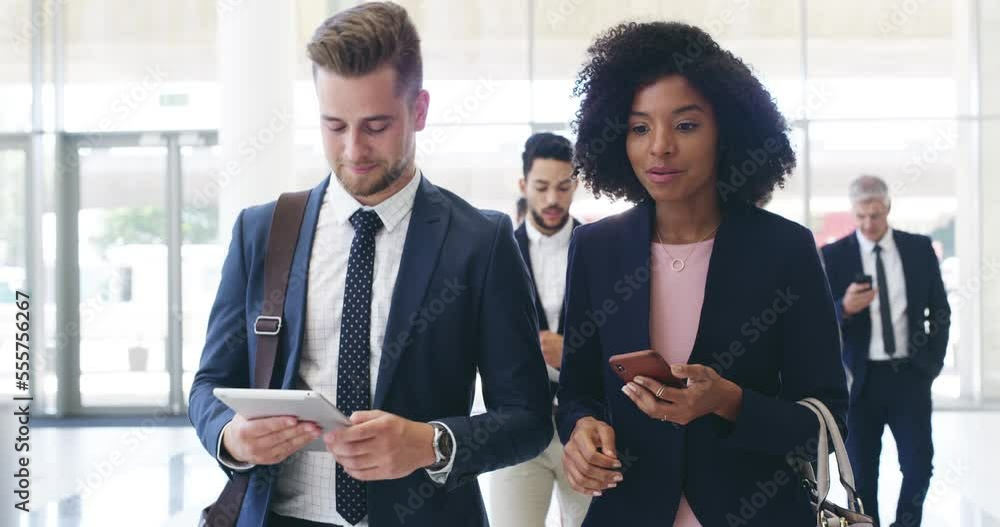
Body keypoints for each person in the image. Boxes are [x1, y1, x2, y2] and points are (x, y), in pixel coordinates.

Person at [188, 3, 552, 526]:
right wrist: (232, 436)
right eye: (333, 125)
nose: (353, 149)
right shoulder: (262, 231)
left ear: (420, 111)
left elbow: (528, 418)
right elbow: (208, 384)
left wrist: (431, 443)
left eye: (376, 126)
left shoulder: (481, 240)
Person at [555, 22, 849, 525]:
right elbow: (578, 389)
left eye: (686, 126)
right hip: (630, 510)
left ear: (727, 133)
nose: (659, 147)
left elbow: (823, 421)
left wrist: (729, 401)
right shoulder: (596, 248)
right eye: (639, 127)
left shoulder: (785, 249)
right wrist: (582, 429)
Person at [821, 175, 951, 527]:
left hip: (910, 374)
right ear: (853, 212)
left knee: (919, 464)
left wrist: (931, 364)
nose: (868, 224)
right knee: (863, 474)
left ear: (888, 208)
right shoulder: (833, 256)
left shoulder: (918, 249)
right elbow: (817, 322)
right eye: (861, 216)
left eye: (875, 215)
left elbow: (939, 311)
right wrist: (844, 308)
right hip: (860, 381)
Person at [486, 132, 589, 526]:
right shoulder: (497, 251)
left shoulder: (598, 248)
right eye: (542, 187)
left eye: (563, 187)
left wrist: (573, 354)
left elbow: (621, 336)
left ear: (575, 185)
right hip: (516, 425)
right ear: (523, 185)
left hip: (585, 426)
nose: (552, 200)